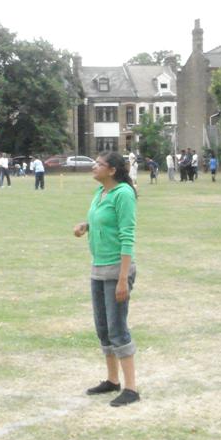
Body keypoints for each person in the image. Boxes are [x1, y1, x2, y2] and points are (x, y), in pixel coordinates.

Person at [72, 151, 140, 407]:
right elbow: (102, 220)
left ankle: (131, 388)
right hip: (98, 268)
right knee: (103, 328)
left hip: (117, 270)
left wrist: (123, 279)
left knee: (117, 329)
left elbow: (127, 235)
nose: (93, 167)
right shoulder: (101, 193)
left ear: (112, 170)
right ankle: (112, 380)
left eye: (98, 164)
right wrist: (85, 226)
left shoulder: (123, 193)